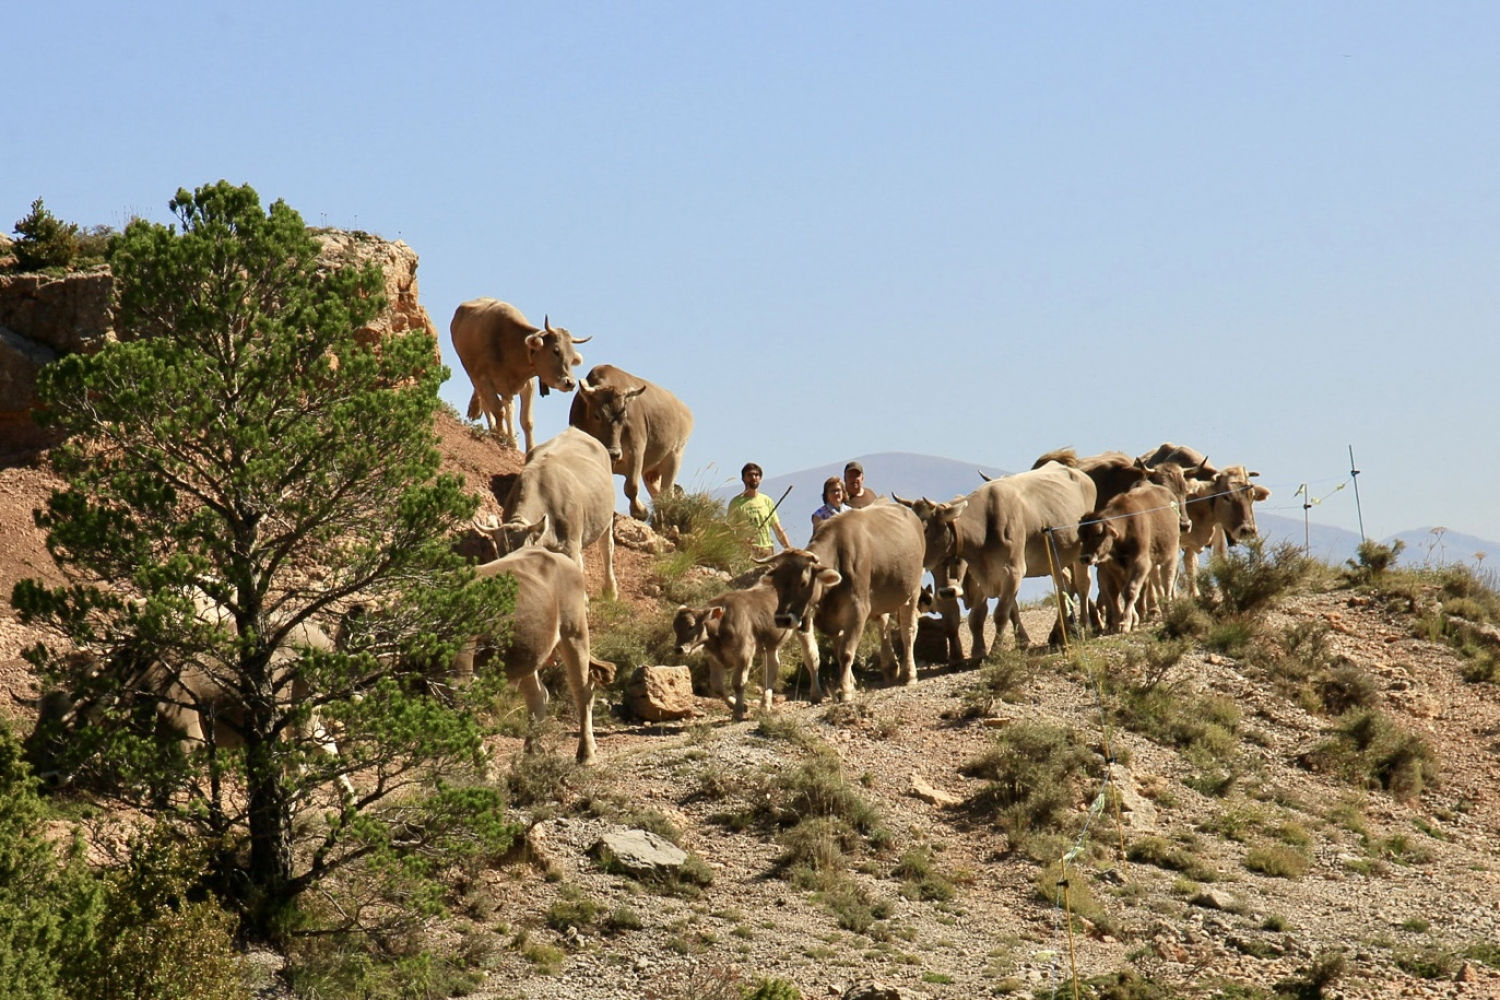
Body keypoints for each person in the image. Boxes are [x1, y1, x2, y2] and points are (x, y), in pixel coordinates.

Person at [728, 461, 791, 559]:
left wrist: (789, 549)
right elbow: (729, 531)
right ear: (743, 479)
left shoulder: (767, 501)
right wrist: (741, 542)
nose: (753, 478)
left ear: (760, 478)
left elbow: (778, 529)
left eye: (756, 475)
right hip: (747, 553)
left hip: (767, 551)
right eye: (749, 475)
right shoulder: (736, 503)